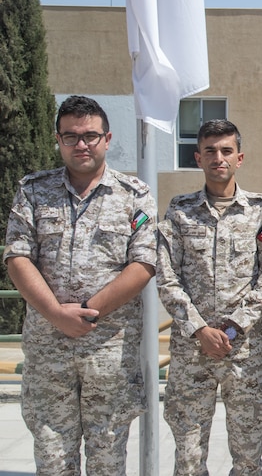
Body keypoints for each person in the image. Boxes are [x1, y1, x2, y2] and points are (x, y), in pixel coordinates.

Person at [3, 95, 157, 474]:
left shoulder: (133, 195)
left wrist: (90, 312)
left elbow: (144, 263)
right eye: (70, 136)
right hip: (48, 351)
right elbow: (17, 257)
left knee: (107, 459)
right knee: (53, 458)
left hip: (109, 352)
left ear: (107, 139)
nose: (81, 144)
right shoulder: (33, 191)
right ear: (58, 140)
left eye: (90, 135)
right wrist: (56, 314)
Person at [156, 119, 262, 475]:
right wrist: (199, 329)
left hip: (245, 351)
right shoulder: (179, 211)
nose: (218, 158)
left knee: (248, 455)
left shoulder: (261, 211)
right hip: (192, 351)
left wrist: (234, 328)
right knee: (189, 458)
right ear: (198, 158)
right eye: (210, 151)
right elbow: (166, 275)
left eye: (226, 151)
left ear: (240, 157)